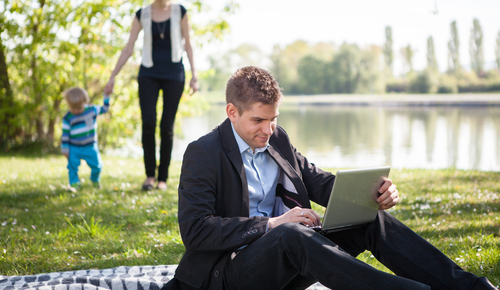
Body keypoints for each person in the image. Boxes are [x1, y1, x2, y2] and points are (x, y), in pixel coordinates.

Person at [166, 66, 497, 290]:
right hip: (227, 274)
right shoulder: (203, 152)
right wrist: (273, 224)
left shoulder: (276, 138)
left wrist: (370, 194)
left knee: (369, 219)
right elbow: (195, 231)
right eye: (258, 120)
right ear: (231, 112)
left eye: (273, 119)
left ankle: (471, 288)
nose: (268, 130)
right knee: (292, 234)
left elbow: (317, 180)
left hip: (286, 262)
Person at [104, 0, 199, 191]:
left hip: (174, 73)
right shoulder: (142, 14)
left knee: (166, 126)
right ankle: (149, 175)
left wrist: (195, 76)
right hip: (148, 73)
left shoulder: (179, 11)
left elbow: (188, 44)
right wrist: (112, 76)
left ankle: (163, 178)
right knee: (148, 123)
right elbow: (128, 48)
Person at [61, 87, 110, 189]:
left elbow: (105, 108)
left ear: (84, 102)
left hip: (90, 146)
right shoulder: (68, 118)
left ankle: (95, 179)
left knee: (98, 166)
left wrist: (106, 96)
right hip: (74, 147)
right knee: (72, 166)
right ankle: (74, 183)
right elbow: (65, 135)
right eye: (73, 108)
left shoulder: (91, 110)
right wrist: (65, 149)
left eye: (79, 108)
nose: (76, 111)